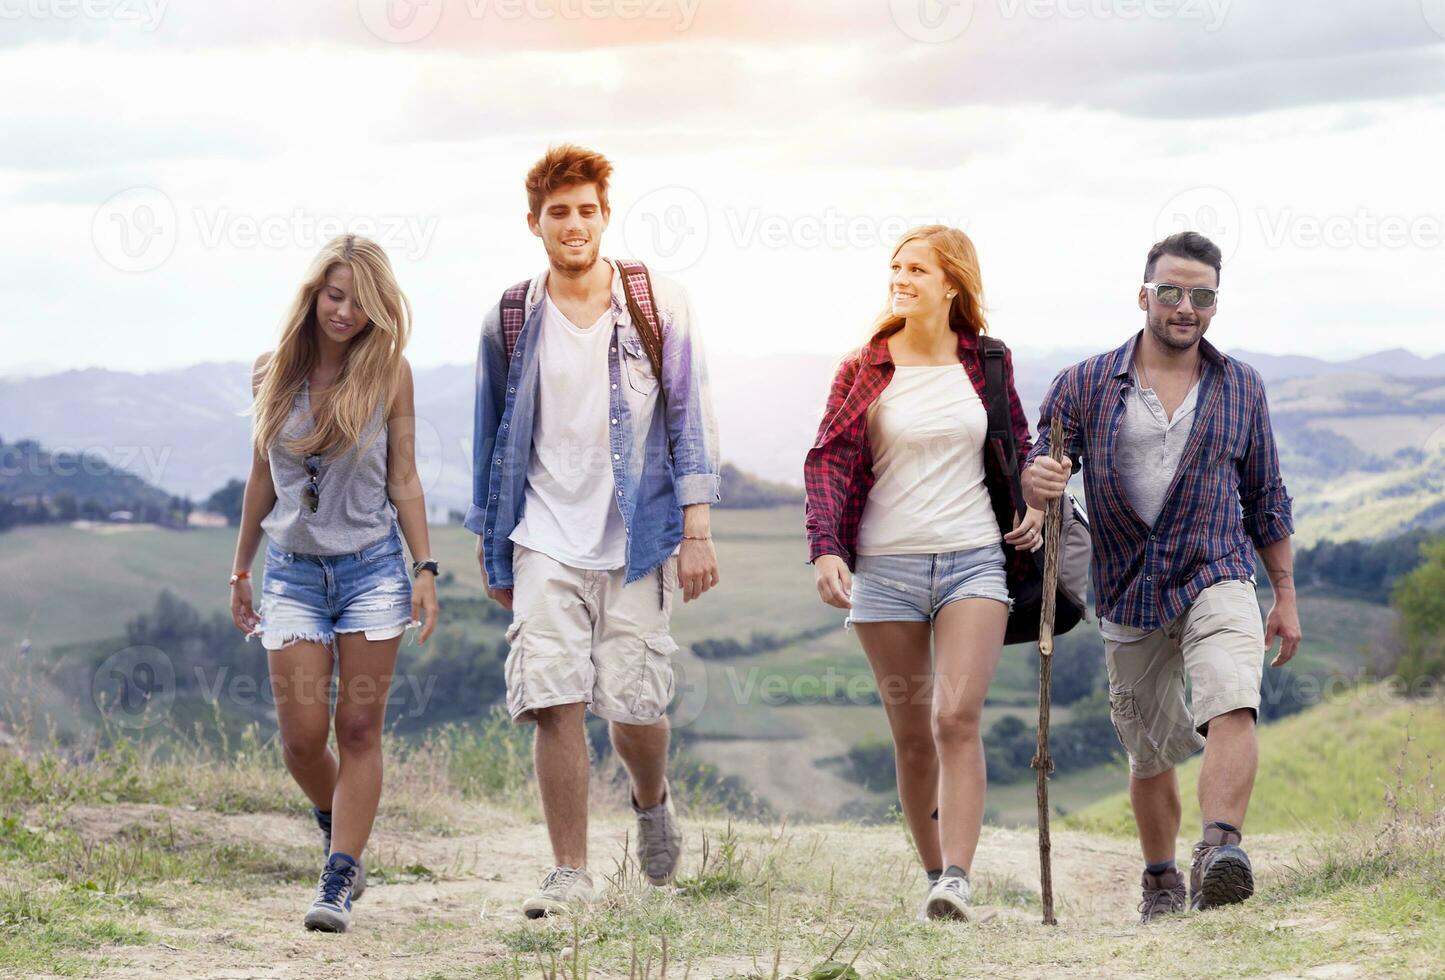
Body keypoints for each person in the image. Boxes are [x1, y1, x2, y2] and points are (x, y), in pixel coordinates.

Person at [466, 144, 722, 918]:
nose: (573, 225)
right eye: (558, 213)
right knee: (554, 697)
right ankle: (569, 872)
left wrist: (697, 529)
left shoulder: (656, 302)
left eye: (586, 211)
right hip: (543, 532)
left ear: (605, 216)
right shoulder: (509, 317)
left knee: (636, 705)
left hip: (637, 535)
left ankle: (651, 800)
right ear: (533, 223)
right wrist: (491, 546)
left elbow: (689, 418)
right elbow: (488, 441)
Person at [1023, 231, 1302, 923]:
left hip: (1217, 570)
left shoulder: (1240, 386)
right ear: (1143, 295)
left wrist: (1283, 596)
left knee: (1231, 696)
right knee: (1147, 749)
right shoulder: (1083, 383)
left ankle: (1219, 853)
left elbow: (1266, 496)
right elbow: (1040, 468)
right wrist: (1040, 480)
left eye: (1201, 295)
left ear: (1214, 303)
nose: (1185, 306)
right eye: (1171, 292)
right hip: (1126, 588)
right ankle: (1159, 881)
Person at [805, 225, 1043, 921]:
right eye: (895, 267)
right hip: (885, 568)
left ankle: (958, 879)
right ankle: (935, 874)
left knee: (954, 716)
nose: (900, 278)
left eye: (916, 269)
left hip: (974, 558)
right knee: (911, 736)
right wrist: (825, 547)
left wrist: (1031, 496)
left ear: (951, 284)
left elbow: (1018, 444)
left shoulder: (988, 364)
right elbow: (829, 459)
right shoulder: (864, 366)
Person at [229, 235, 439, 933]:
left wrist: (424, 568)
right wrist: (239, 569)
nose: (345, 310)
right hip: (290, 572)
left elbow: (403, 476)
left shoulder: (389, 372)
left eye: (360, 299)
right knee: (300, 737)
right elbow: (262, 479)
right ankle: (336, 824)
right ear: (314, 294)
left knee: (356, 728)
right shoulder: (270, 371)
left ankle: (339, 874)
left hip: (372, 570)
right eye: (335, 294)